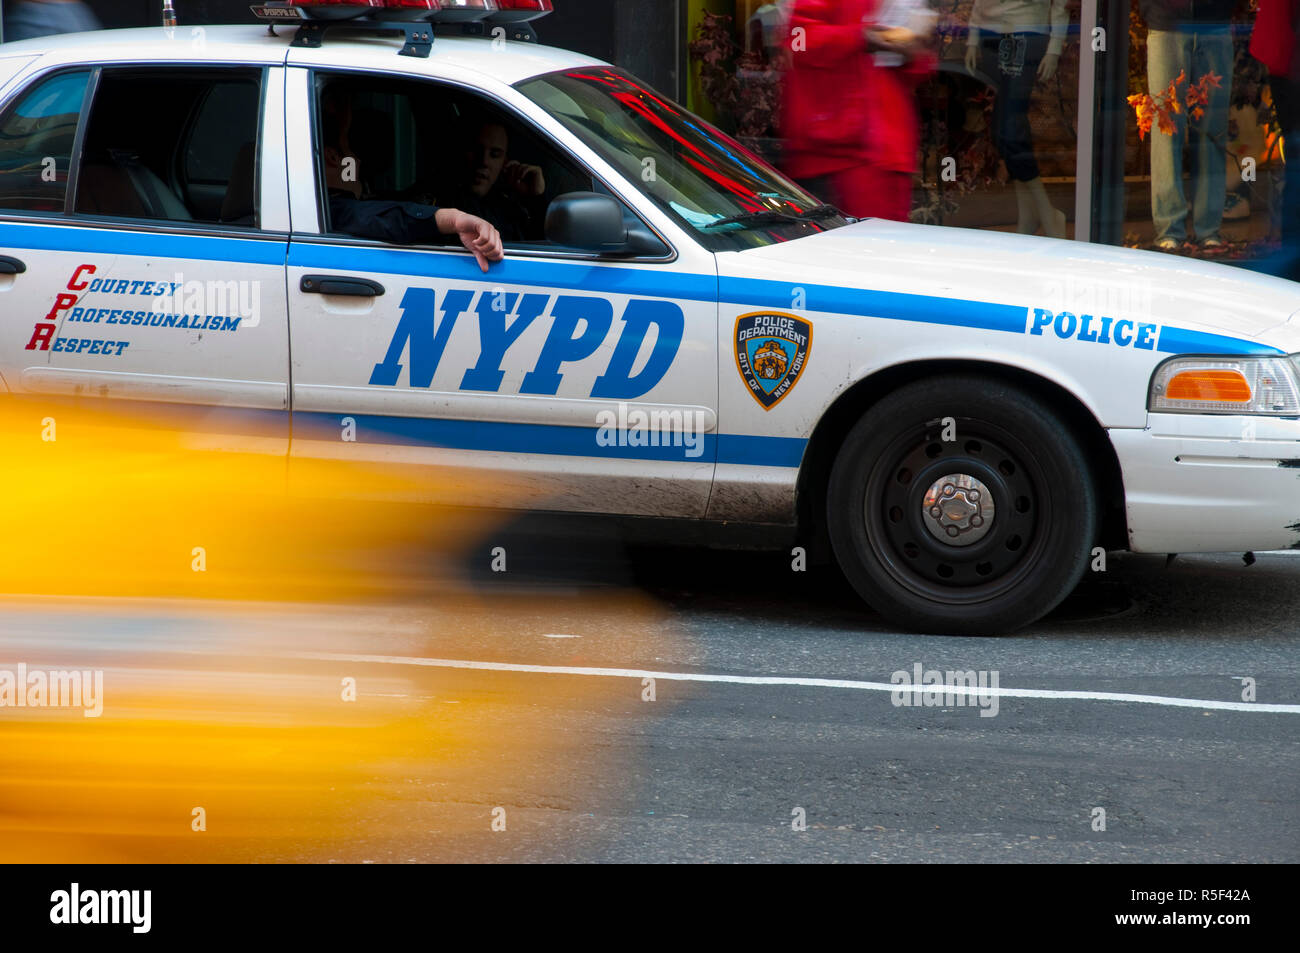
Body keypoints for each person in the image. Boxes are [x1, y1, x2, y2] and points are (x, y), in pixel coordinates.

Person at [320, 86, 503, 271]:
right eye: (351, 153)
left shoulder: (352, 198)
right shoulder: (334, 208)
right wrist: (453, 219)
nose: (358, 161)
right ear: (333, 158)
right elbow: (375, 215)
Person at [782, 0, 935, 222]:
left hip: (888, 148)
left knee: (888, 245)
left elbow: (917, 69)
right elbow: (798, 42)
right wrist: (861, 37)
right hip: (839, 150)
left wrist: (915, 52)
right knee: (865, 247)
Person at [964, 0, 1069, 237]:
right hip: (989, 34)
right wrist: (972, 36)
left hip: (1027, 30)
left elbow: (1060, 3)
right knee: (1007, 129)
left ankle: (1048, 213)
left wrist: (1055, 46)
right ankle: (1029, 217)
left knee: (1009, 130)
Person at [1141, 0, 1235, 251]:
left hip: (1213, 23)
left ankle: (1207, 228)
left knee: (1211, 132)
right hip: (1167, 23)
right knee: (1166, 129)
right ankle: (1171, 228)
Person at [436, 117, 548, 242]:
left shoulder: (508, 208)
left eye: (495, 155)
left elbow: (541, 246)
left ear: (505, 163)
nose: (484, 161)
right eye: (476, 150)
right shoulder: (433, 202)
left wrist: (535, 199)